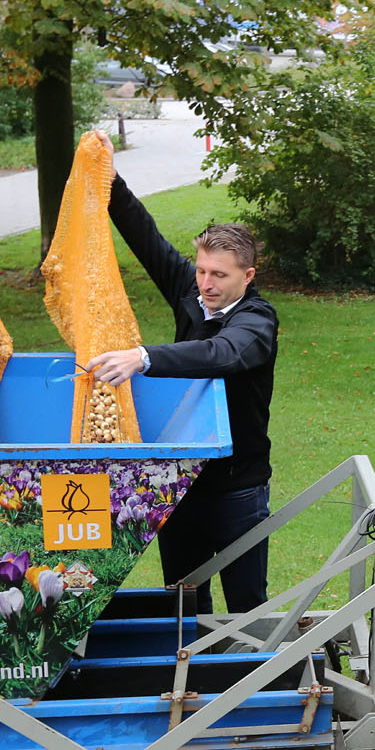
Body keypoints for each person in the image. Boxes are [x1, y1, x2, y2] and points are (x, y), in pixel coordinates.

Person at [84, 131, 278, 612]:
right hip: (182, 477)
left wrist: (143, 357)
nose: (206, 285)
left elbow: (222, 353)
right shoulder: (191, 290)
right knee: (184, 599)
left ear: (247, 276)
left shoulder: (257, 321)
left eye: (220, 276)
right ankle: (188, 685)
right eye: (201, 271)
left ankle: (247, 682)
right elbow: (143, 235)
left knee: (246, 603)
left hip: (238, 485)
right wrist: (109, 174)